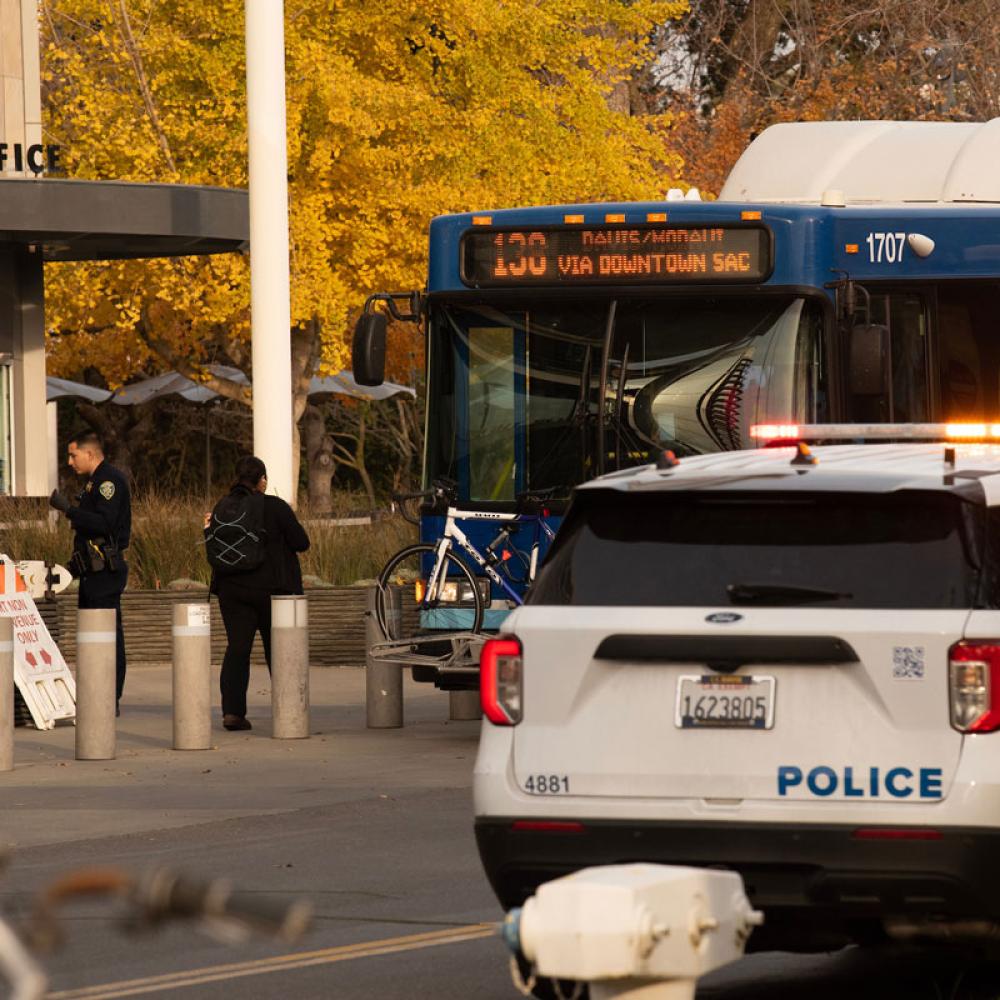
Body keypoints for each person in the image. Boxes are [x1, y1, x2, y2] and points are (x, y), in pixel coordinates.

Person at [205, 456, 309, 731]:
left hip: (231, 590)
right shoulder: (274, 506)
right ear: (262, 480)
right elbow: (302, 542)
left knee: (237, 649)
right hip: (271, 591)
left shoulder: (223, 508)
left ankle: (232, 713)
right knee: (279, 650)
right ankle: (288, 710)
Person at [49, 431, 131, 712]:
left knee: (106, 635)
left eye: (73, 455)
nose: (70, 461)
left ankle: (110, 697)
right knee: (94, 636)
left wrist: (69, 510)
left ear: (90, 454)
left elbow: (104, 525)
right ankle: (99, 694)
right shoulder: (94, 483)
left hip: (105, 573)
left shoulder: (108, 482)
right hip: (92, 571)